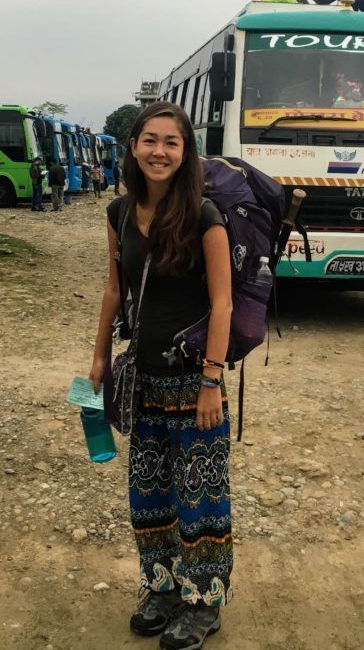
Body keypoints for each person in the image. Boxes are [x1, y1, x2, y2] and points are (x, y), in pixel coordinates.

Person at [88, 101, 233, 650]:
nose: (159, 151)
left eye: (171, 142)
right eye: (150, 140)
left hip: (195, 381)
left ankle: (205, 600)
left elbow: (222, 304)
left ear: (186, 152)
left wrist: (212, 382)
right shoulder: (118, 213)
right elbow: (113, 289)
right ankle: (163, 588)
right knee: (150, 494)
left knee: (201, 494)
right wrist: (100, 355)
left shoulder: (205, 216)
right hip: (144, 378)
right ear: (132, 147)